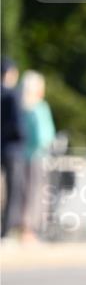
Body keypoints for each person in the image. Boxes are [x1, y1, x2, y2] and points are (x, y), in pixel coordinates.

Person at [20, 70, 56, 240]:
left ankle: (22, 228)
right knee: (35, 193)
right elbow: (44, 136)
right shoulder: (39, 107)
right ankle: (29, 230)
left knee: (23, 192)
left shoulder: (20, 106)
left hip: (21, 156)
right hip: (38, 156)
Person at [1, 57, 26, 239]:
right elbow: (18, 125)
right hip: (11, 149)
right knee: (13, 191)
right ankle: (6, 230)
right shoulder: (12, 95)